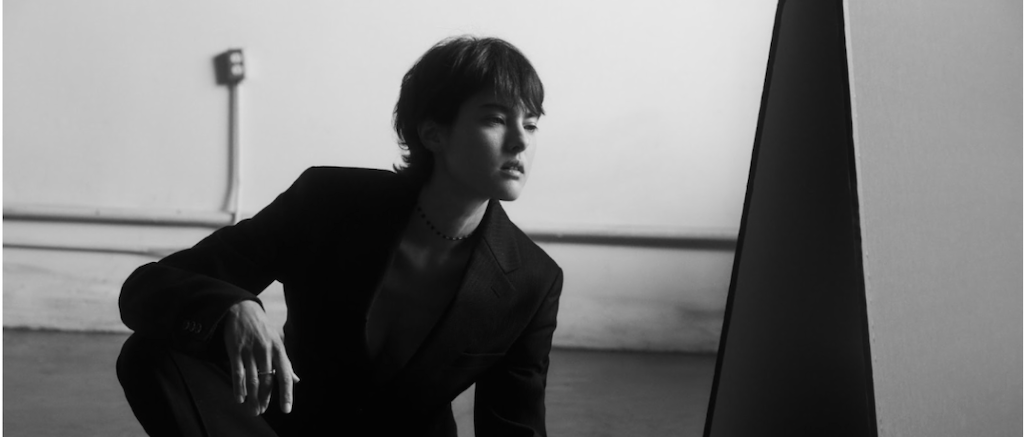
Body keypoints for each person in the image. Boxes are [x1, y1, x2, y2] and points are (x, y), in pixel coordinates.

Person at [116, 35, 563, 436]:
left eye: (531, 124)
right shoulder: (329, 201)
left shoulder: (533, 280)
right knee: (151, 353)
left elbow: (515, 424)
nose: (521, 142)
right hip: (291, 422)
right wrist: (232, 307)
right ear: (433, 133)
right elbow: (146, 288)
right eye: (496, 119)